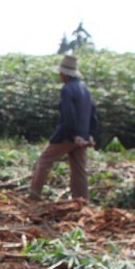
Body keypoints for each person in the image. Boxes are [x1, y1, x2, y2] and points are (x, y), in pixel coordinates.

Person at [30, 53, 100, 202]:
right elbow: (93, 114)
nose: (60, 76)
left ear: (65, 74)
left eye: (60, 73)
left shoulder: (67, 89)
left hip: (67, 135)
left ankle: (34, 195)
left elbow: (69, 114)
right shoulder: (85, 90)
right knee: (79, 169)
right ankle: (81, 201)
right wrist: (90, 135)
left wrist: (74, 135)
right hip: (83, 136)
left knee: (44, 160)